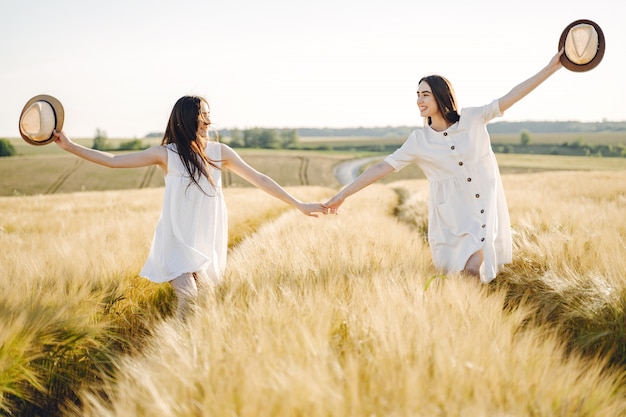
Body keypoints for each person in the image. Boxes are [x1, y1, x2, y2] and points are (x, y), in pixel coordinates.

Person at [53, 95, 327, 319]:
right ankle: (172, 354)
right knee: (190, 297)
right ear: (186, 120)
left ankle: (186, 353)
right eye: (201, 116)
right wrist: (70, 146)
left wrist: (299, 204)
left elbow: (261, 180)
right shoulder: (166, 154)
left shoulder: (221, 153)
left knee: (206, 302)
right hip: (177, 240)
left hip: (206, 241)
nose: (208, 121)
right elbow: (113, 160)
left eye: (208, 115)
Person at [324, 50, 565, 283]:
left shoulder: (473, 119)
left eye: (425, 94)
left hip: (482, 212)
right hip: (451, 221)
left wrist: (551, 68)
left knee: (472, 270)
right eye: (417, 94)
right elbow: (379, 168)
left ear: (441, 95)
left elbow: (512, 97)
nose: (419, 100)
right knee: (460, 279)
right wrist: (342, 195)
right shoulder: (419, 141)